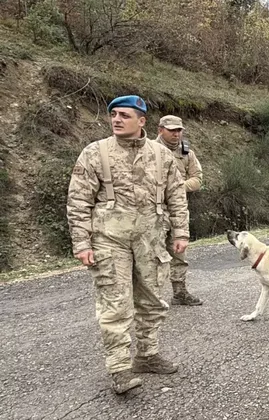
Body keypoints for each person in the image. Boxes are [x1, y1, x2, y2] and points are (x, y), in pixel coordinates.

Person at [66, 95, 190, 394]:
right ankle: (120, 368)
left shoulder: (161, 155)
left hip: (151, 238)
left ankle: (147, 355)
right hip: (110, 240)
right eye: (114, 115)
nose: (117, 119)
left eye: (124, 115)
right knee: (115, 305)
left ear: (142, 121)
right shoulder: (95, 153)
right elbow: (78, 200)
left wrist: (181, 233)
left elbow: (176, 196)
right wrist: (82, 242)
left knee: (152, 301)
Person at [156, 115, 203, 306]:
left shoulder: (186, 153)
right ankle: (151, 297)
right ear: (160, 130)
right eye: (171, 130)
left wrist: (177, 187)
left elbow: (198, 178)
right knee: (154, 255)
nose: (176, 134)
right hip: (155, 210)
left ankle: (180, 292)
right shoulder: (149, 150)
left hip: (178, 209)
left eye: (179, 130)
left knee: (179, 252)